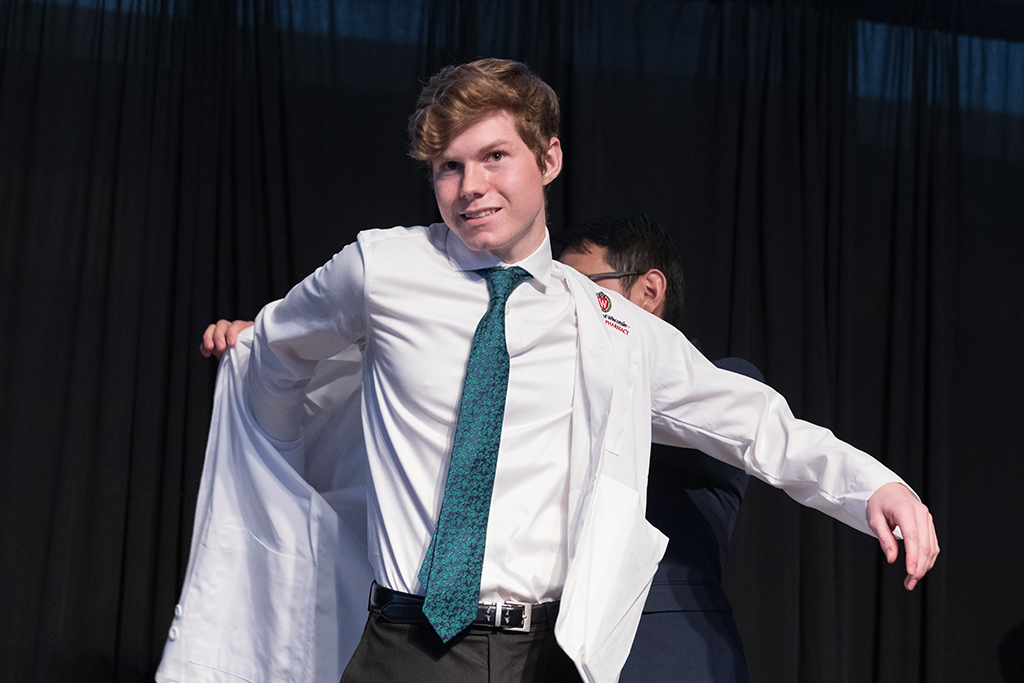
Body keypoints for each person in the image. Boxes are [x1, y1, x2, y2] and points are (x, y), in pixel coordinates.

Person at [171, 58, 938, 683]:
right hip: (407, 647)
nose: (470, 188)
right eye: (448, 167)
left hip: (548, 654)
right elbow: (279, 349)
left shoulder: (606, 324)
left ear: (549, 158)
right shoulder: (379, 268)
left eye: (494, 156)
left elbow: (747, 420)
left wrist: (873, 484)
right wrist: (269, 404)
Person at [558, 214, 755, 682]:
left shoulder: (730, 382)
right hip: (550, 646)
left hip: (667, 651)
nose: (568, 309)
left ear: (648, 291)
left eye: (584, 289)